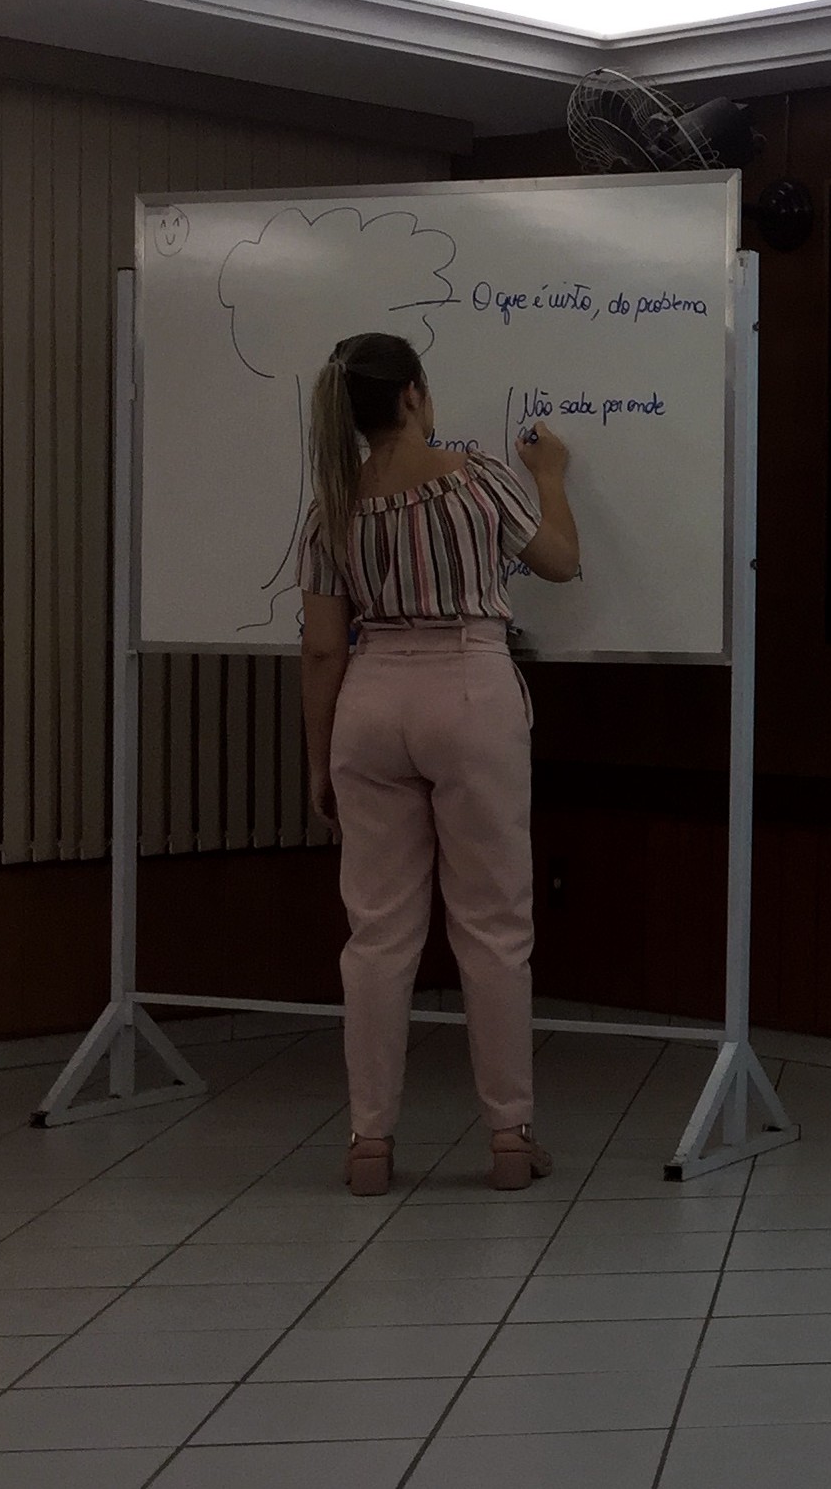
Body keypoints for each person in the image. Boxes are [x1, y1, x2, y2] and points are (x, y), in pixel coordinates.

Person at [295, 332, 580, 1197]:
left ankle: (369, 1144)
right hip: (468, 687)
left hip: (369, 698)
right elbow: (560, 562)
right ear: (415, 393)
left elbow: (320, 649)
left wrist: (319, 761)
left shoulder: (332, 506)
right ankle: (508, 1136)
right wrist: (552, 477)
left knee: (377, 934)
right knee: (493, 926)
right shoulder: (478, 476)